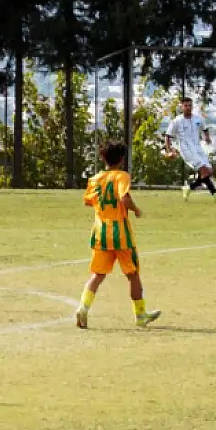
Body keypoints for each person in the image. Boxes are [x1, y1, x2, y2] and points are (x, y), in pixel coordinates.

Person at [75, 141, 161, 330]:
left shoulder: (95, 178)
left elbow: (88, 201)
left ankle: (83, 308)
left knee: (97, 274)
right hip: (120, 234)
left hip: (100, 233)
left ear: (103, 158)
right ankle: (140, 315)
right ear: (122, 159)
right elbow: (124, 198)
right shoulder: (121, 176)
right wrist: (136, 210)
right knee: (133, 274)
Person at [163, 97, 216, 201]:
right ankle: (215, 195)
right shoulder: (177, 121)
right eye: (186, 106)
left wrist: (207, 137)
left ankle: (189, 187)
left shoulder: (198, 118)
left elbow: (205, 128)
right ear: (181, 107)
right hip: (186, 149)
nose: (188, 108)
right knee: (204, 170)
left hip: (198, 147)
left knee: (209, 171)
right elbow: (168, 136)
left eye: (190, 105)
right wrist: (169, 151)